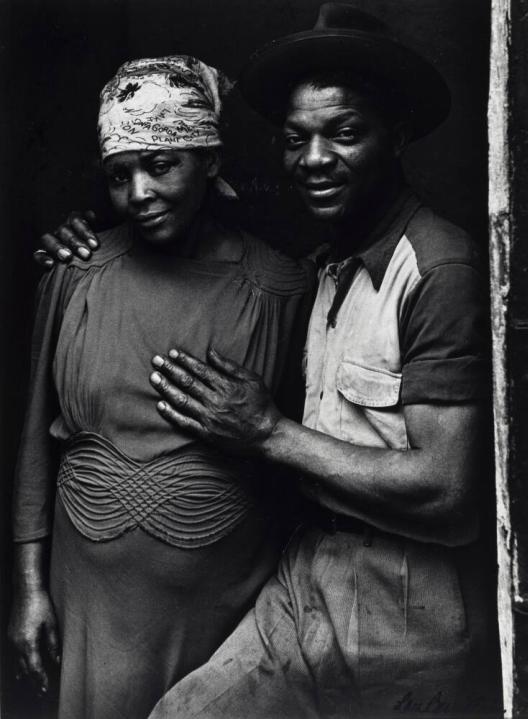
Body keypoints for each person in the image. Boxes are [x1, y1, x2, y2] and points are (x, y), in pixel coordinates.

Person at [9, 55, 312, 719]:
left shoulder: (282, 291)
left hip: (224, 610)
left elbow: (300, 465)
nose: (139, 192)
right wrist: (28, 586)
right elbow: (33, 439)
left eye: (160, 165)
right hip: (85, 606)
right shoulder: (75, 276)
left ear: (209, 160)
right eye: (120, 176)